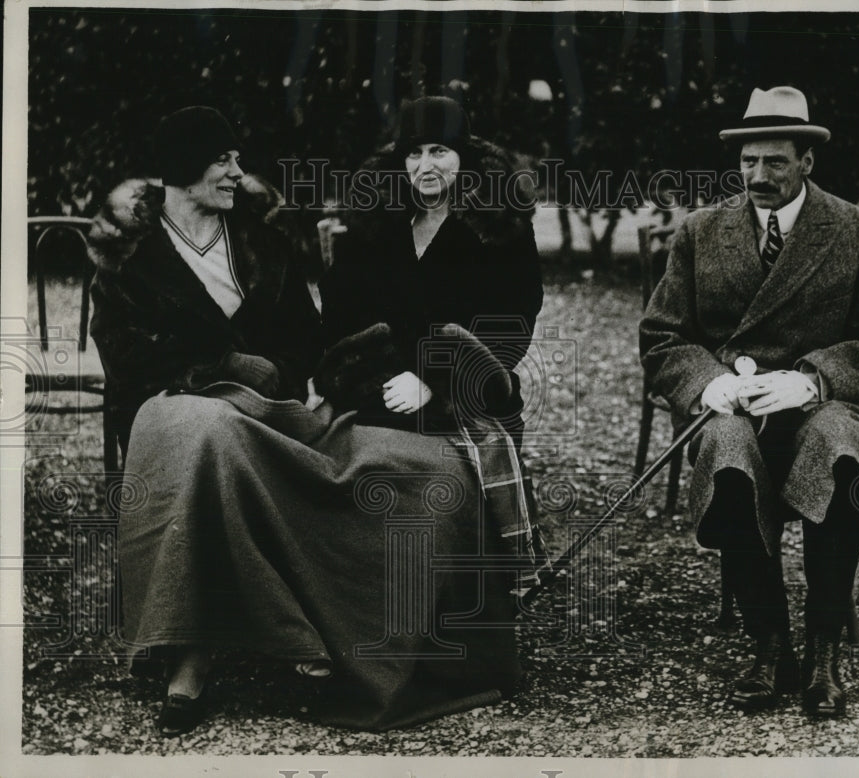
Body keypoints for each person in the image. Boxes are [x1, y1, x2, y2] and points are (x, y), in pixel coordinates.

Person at [639, 86, 859, 717]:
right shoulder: (701, 232)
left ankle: (823, 652)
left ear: (806, 161)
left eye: (775, 162)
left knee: (837, 448)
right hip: (736, 406)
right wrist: (710, 383)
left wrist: (813, 379)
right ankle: (769, 645)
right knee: (726, 450)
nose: (759, 176)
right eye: (748, 162)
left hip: (825, 405)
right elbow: (662, 338)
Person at [89, 106, 322, 736]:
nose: (238, 172)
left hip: (260, 413)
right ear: (184, 166)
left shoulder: (262, 240)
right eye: (223, 159)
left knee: (225, 434)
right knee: (208, 433)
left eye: (237, 159)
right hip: (162, 410)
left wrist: (270, 376)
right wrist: (220, 369)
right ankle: (192, 651)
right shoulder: (129, 252)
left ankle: (237, 636)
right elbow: (125, 357)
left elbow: (305, 338)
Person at [318, 95, 544, 449]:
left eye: (438, 151)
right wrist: (377, 377)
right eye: (414, 153)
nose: (425, 165)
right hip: (377, 390)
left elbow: (513, 322)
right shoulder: (374, 224)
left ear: (462, 156)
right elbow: (341, 314)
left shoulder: (500, 227)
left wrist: (434, 379)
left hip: (469, 395)